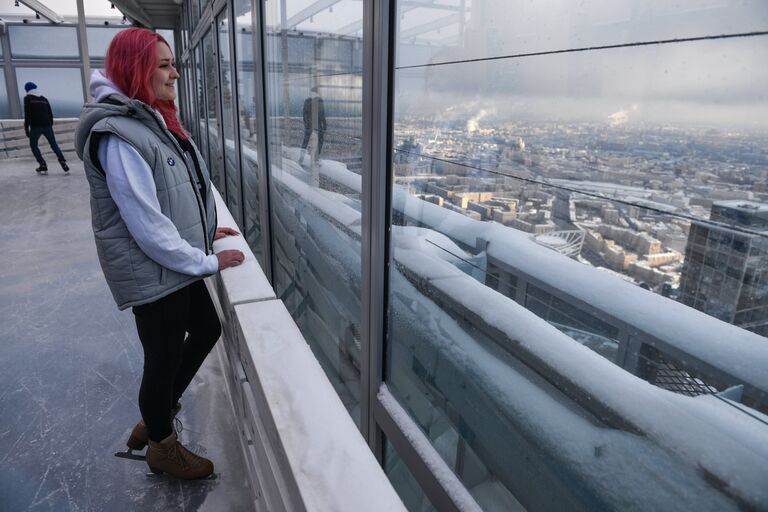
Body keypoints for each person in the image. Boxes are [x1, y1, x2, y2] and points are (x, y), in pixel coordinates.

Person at [74, 28, 245, 480]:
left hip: (173, 264)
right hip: (153, 270)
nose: (175, 73)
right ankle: (162, 446)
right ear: (137, 69)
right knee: (163, 359)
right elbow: (146, 224)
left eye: (173, 63)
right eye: (165, 65)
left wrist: (208, 229)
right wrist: (207, 261)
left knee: (206, 328)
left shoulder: (149, 119)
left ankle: (154, 421)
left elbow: (175, 191)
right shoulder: (119, 135)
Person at [23, 82, 69, 175]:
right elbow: (50, 113)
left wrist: (26, 129)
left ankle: (42, 164)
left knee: (33, 145)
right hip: (47, 125)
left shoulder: (28, 98)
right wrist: (49, 125)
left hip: (36, 127)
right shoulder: (44, 99)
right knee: (54, 145)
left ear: (27, 90)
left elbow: (27, 115)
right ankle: (62, 161)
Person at [301, 86, 327, 160]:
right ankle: (315, 157)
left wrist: (306, 124)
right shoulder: (319, 101)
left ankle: (301, 158)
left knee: (305, 141)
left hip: (309, 124)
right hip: (317, 124)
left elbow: (304, 114)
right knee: (320, 140)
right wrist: (324, 125)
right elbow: (322, 114)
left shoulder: (307, 100)